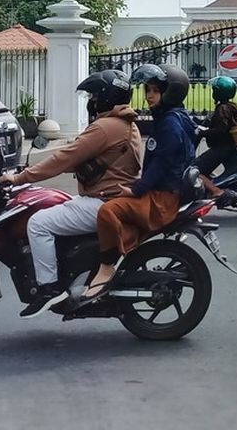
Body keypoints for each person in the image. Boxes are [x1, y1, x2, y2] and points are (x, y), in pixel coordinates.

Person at [0, 70, 141, 318]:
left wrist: (20, 177)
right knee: (57, 203)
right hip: (110, 197)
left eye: (95, 95)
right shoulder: (124, 123)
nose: (92, 101)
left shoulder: (105, 127)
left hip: (103, 201)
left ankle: (49, 287)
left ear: (106, 97)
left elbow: (65, 157)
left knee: (38, 223)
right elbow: (78, 154)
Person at [81, 63, 197, 302]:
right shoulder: (177, 118)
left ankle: (107, 267)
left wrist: (136, 189)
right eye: (148, 90)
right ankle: (125, 250)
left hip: (161, 198)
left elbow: (161, 165)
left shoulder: (169, 124)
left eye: (155, 90)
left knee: (107, 210)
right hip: (167, 193)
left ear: (170, 92)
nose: (149, 96)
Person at [195, 75, 237, 199]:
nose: (213, 93)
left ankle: (216, 191)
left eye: (214, 90)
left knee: (194, 169)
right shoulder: (230, 106)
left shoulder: (222, 108)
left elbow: (221, 130)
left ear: (219, 92)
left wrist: (203, 133)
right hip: (228, 146)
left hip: (221, 148)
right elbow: (214, 123)